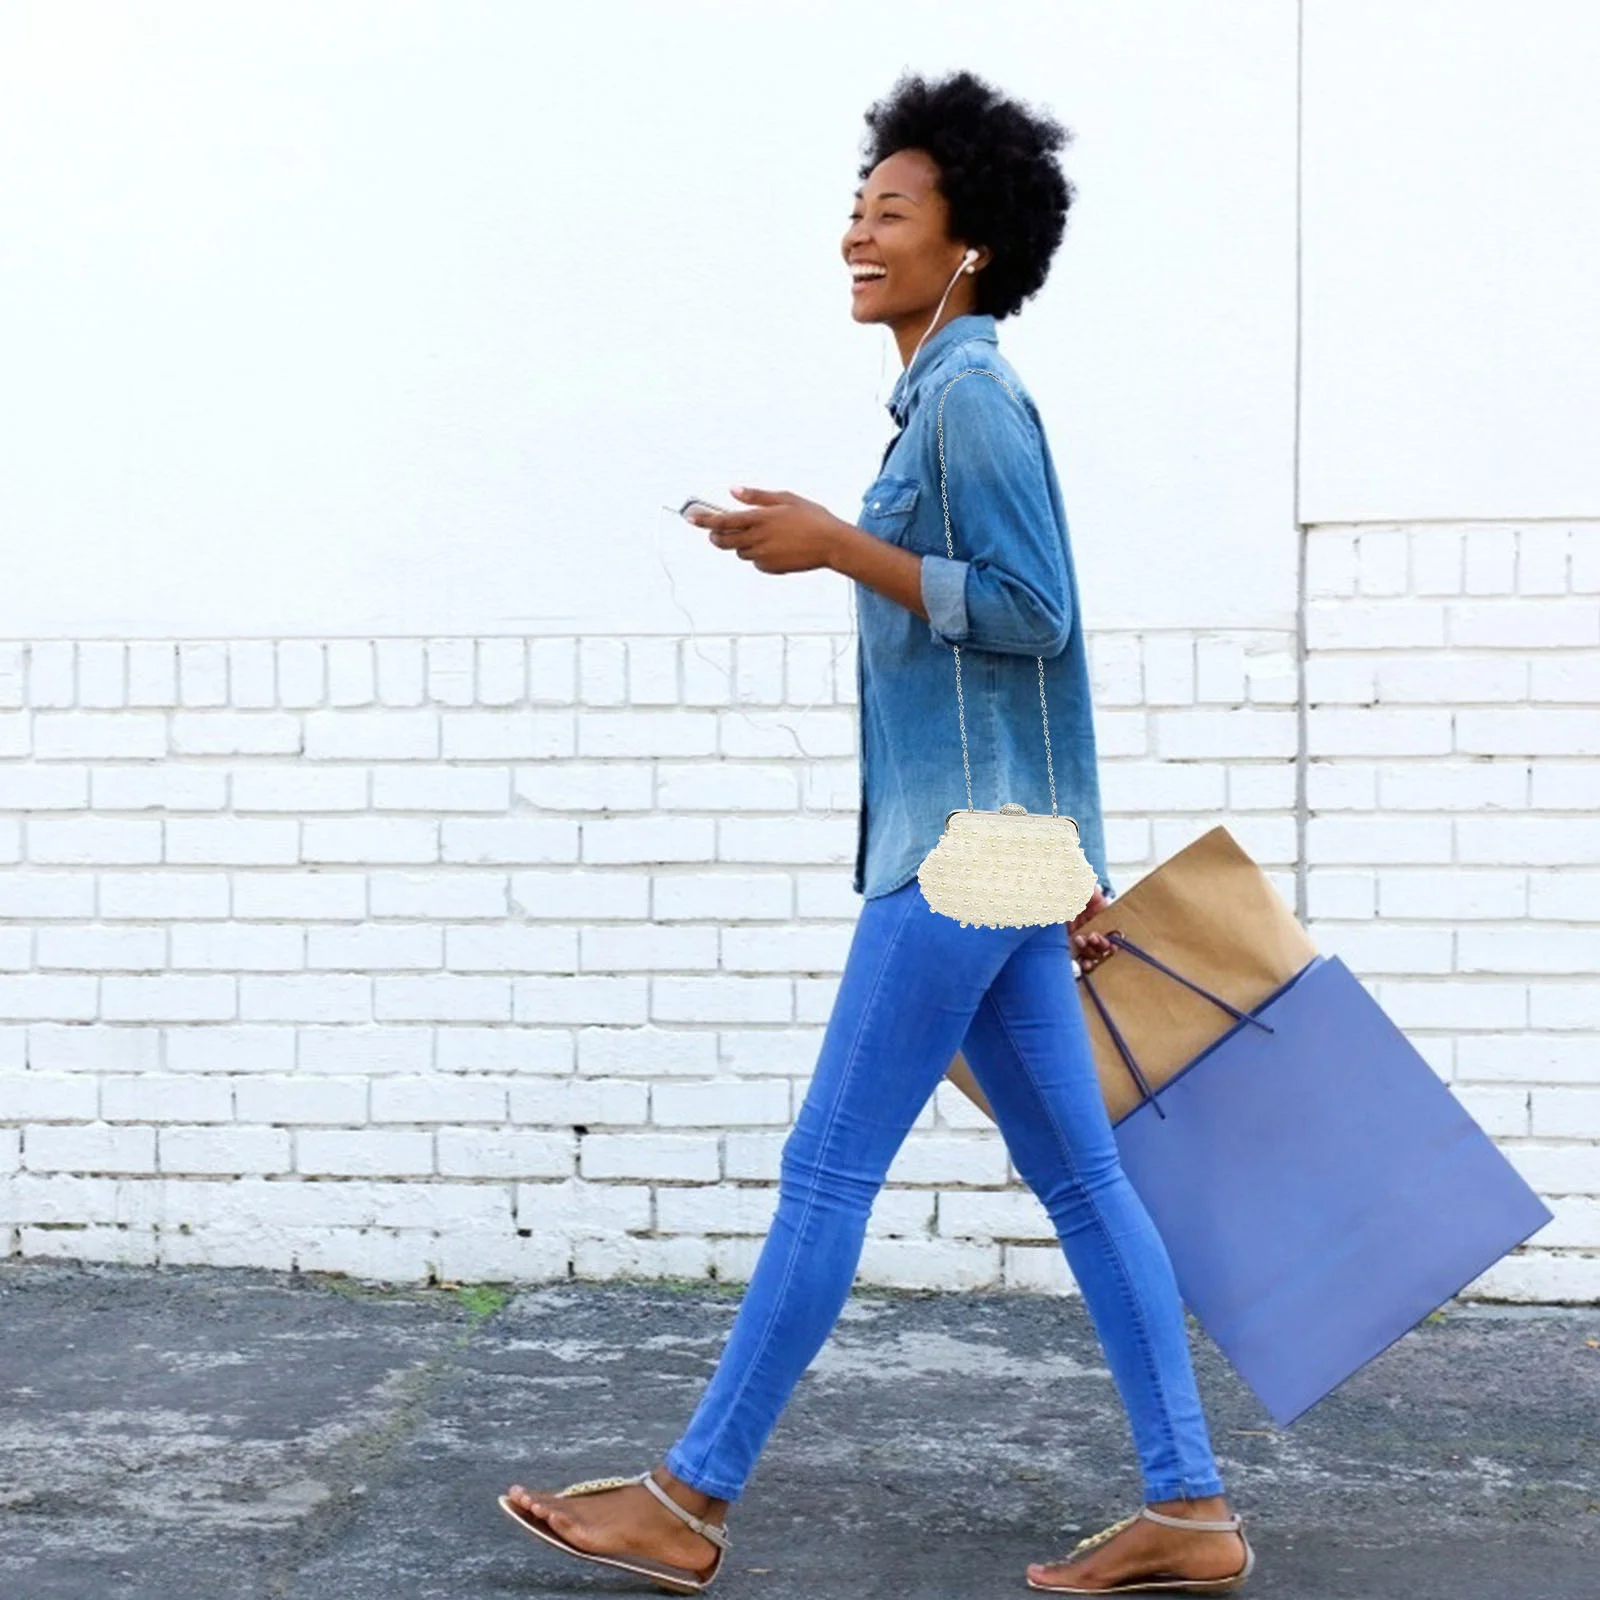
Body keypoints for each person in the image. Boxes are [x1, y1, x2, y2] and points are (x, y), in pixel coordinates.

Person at [501, 68, 1253, 1596]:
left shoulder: (973, 397)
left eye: (890, 213)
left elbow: (1039, 619)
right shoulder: (939, 399)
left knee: (830, 1165)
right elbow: (1002, 654)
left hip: (967, 849)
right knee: (1086, 1182)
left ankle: (689, 1498)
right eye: (855, 210)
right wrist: (1068, 846)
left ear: (966, 244)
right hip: (1003, 840)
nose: (857, 233)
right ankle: (1191, 1508)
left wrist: (844, 548)